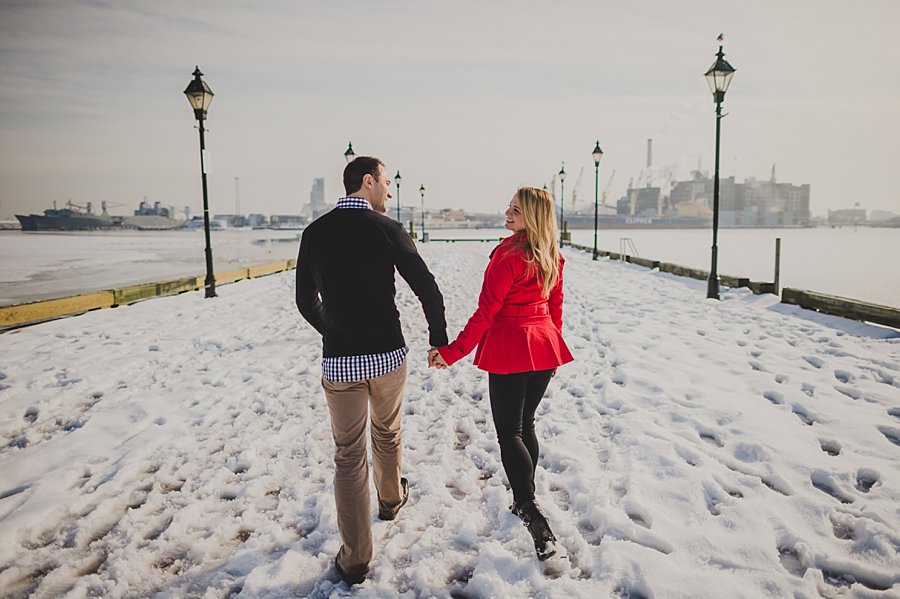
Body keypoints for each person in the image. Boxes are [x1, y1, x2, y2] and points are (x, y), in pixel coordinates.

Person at [295, 155, 448, 585]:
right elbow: (428, 290)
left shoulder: (315, 232)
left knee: (347, 456)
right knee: (387, 432)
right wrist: (438, 338)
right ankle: (391, 499)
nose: (389, 191)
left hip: (340, 360)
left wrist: (330, 326)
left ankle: (356, 558)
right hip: (386, 357)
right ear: (367, 181)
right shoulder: (388, 230)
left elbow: (304, 299)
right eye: (385, 183)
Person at [429, 186, 573, 560]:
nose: (507, 213)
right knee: (526, 425)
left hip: (512, 347)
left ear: (532, 217)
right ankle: (526, 497)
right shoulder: (552, 257)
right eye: (508, 207)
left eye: (515, 210)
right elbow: (554, 308)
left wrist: (451, 353)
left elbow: (485, 314)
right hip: (543, 346)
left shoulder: (507, 257)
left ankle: (528, 508)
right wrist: (552, 352)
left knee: (510, 431)